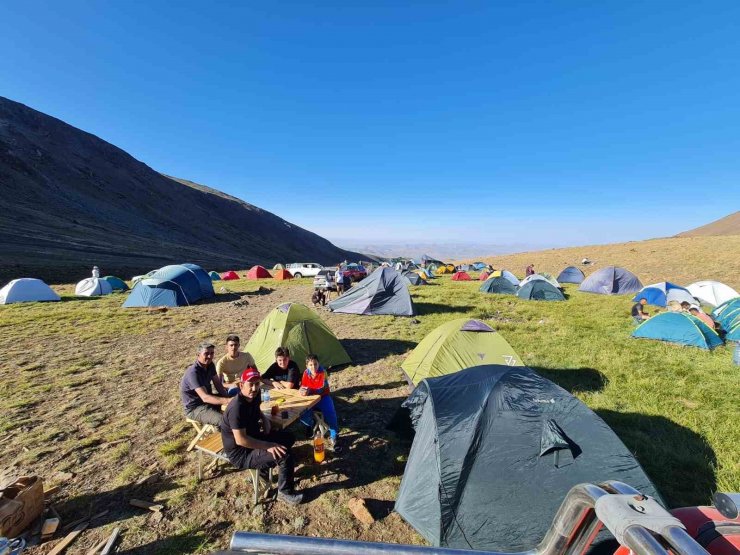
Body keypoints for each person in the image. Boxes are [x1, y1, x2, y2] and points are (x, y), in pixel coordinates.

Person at [220, 367, 303, 505]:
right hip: (241, 453)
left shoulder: (255, 395)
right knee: (284, 455)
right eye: (250, 384)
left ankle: (264, 470)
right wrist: (269, 446)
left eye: (257, 384)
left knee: (289, 437)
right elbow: (241, 440)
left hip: (255, 437)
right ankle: (284, 492)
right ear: (241, 385)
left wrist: (265, 420)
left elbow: (257, 409)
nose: (254, 388)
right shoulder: (236, 408)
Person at [180, 342, 232, 426]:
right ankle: (231, 437)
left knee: (237, 406)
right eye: (206, 353)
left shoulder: (210, 365)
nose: (210, 356)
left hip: (208, 401)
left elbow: (218, 384)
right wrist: (227, 400)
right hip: (195, 408)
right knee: (223, 421)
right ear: (198, 354)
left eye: (212, 353)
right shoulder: (193, 373)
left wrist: (227, 397)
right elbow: (205, 397)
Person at [299, 354, 341, 452]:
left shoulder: (323, 372)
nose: (313, 367)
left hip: (323, 397)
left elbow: (321, 389)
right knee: (302, 413)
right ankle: (310, 424)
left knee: (330, 412)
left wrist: (309, 390)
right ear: (306, 366)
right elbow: (304, 386)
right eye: (310, 365)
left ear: (318, 364)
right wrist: (302, 390)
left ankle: (334, 434)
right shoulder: (305, 373)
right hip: (310, 398)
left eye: (315, 364)